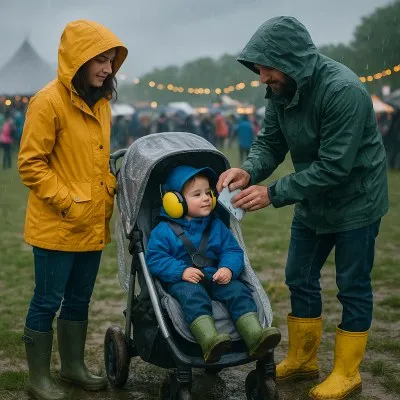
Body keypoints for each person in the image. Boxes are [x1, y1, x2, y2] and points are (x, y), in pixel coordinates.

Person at [216, 16, 388, 400]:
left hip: (356, 201)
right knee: (299, 276)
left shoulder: (342, 90)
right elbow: (270, 143)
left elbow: (335, 166)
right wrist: (248, 170)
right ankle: (303, 359)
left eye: (265, 67)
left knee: (353, 285)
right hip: (313, 202)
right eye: (257, 68)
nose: (261, 77)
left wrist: (272, 193)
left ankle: (348, 372)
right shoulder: (281, 89)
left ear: (290, 60)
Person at [18, 20, 127, 400]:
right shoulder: (47, 101)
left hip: (93, 222)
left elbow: (95, 162)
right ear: (77, 58)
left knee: (80, 300)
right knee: (47, 301)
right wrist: (67, 201)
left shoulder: (102, 103)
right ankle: (37, 378)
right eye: (100, 60)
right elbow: (31, 164)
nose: (107, 69)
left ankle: (72, 367)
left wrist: (111, 186)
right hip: (57, 224)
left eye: (111, 60)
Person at [145, 165, 280, 363]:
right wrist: (181, 271)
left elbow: (232, 250)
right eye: (197, 194)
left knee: (237, 290)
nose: (207, 197)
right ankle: (209, 341)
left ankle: (254, 336)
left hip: (215, 275)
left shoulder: (216, 225)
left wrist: (227, 268)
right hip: (184, 281)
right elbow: (155, 258)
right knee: (193, 296)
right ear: (176, 201)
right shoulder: (164, 231)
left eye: (208, 192)